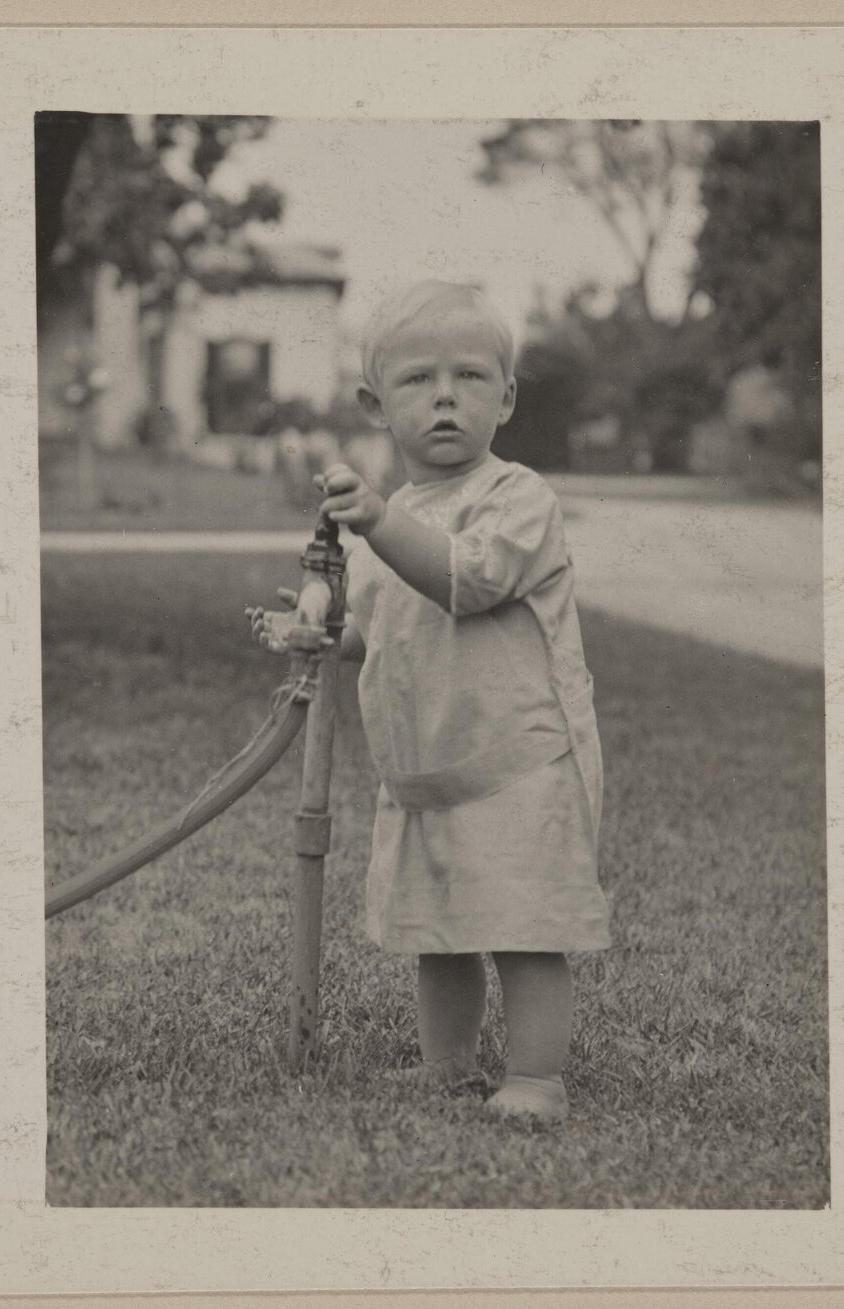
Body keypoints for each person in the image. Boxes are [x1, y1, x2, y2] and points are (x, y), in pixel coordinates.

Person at [256, 281, 610, 1121]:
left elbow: (468, 578)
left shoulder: (518, 498)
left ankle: (535, 1076)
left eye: (471, 378)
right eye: (418, 380)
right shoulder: (399, 517)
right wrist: (313, 632)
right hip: (426, 772)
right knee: (437, 927)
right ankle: (446, 1062)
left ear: (507, 397)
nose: (445, 396)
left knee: (522, 925)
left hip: (519, 761)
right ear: (375, 404)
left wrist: (377, 520)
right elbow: (378, 631)